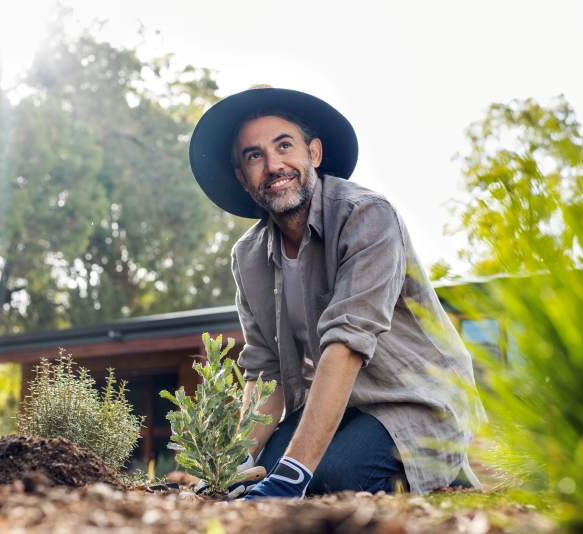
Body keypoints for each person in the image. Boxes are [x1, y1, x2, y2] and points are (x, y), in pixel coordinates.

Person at [188, 85, 486, 499]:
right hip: (343, 409)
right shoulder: (249, 258)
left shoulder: (367, 217)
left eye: (284, 145)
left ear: (314, 154)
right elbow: (265, 373)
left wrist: (293, 476)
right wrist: (231, 466)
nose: (273, 165)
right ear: (242, 177)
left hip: (414, 400)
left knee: (331, 477)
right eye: (254, 156)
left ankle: (443, 471)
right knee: (261, 471)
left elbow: (346, 344)